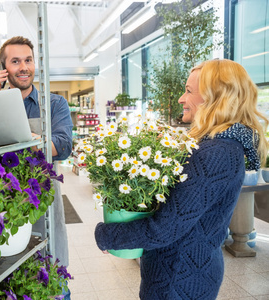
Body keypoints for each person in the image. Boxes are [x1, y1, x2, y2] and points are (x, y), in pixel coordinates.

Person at [94, 59, 269, 300]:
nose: (181, 99)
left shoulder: (214, 153)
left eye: (188, 91)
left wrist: (107, 235)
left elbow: (165, 229)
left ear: (213, 97)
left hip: (178, 279)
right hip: (188, 271)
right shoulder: (223, 145)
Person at [0, 36, 73, 298]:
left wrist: (25, 140)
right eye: (15, 61)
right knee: (9, 276)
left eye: (28, 60)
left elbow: (64, 144)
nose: (23, 67)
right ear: (3, 69)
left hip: (45, 205)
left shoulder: (54, 104)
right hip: (3, 205)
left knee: (53, 275)